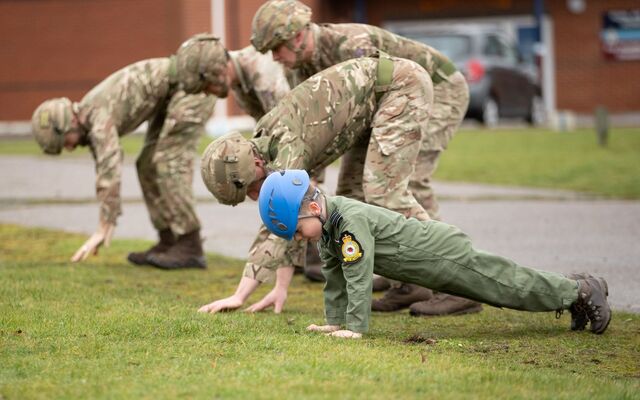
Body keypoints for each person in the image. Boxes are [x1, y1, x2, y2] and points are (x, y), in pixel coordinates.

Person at [250, 0, 476, 315]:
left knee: (397, 183)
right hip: (376, 109)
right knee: (350, 195)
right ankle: (409, 283)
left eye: (277, 47)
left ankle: (457, 282)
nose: (275, 57)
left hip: (436, 90)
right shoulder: (298, 70)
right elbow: (313, 135)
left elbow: (393, 89)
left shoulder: (351, 44)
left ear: (299, 35)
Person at [196, 53, 435, 314]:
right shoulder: (264, 148)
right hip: (369, 109)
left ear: (255, 165)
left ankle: (449, 278)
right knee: (348, 202)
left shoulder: (284, 145)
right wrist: (280, 287)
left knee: (383, 193)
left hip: (398, 86)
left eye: (252, 188)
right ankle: (408, 285)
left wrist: (239, 295)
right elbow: (290, 224)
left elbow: (277, 225)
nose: (256, 196)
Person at [257, 169, 612, 338]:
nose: (301, 239)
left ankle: (581, 291)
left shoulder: (348, 223)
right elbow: (334, 280)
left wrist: (357, 329)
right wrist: (335, 322)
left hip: (443, 255)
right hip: (431, 266)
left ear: (313, 210)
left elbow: (358, 277)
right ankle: (574, 291)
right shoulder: (329, 229)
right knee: (507, 287)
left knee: (507, 287)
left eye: (298, 230)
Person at [31, 55, 217, 269]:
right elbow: (103, 168)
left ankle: (190, 244)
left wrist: (104, 226)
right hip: (170, 96)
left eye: (65, 142)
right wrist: (108, 218)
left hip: (192, 88)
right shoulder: (90, 117)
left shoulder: (97, 117)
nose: (70, 148)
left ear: (70, 122)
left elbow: (109, 169)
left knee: (167, 161)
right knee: (146, 165)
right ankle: (168, 240)